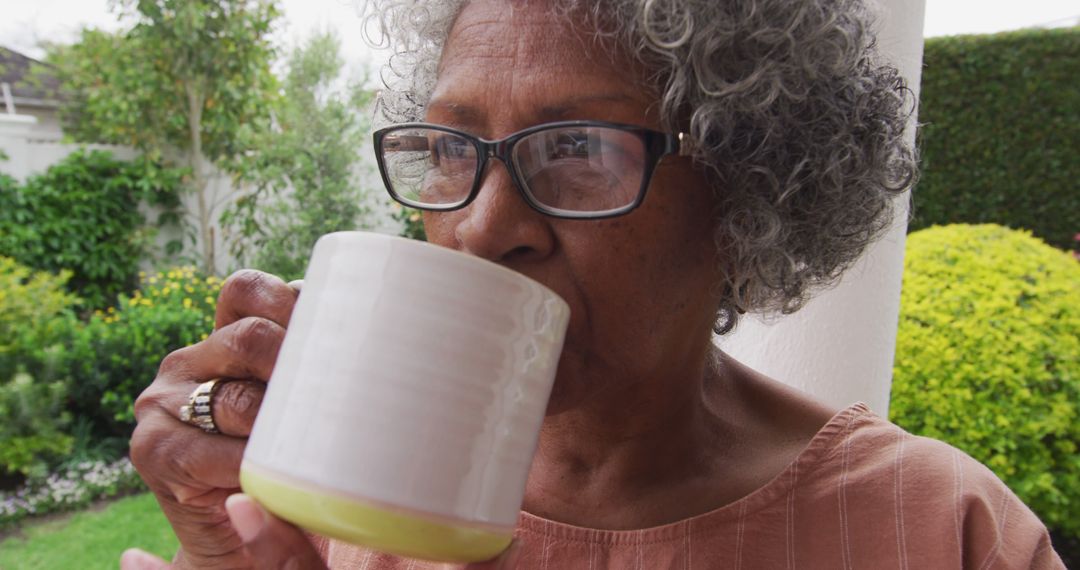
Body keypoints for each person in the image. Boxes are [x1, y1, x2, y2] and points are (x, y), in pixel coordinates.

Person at [121, 0, 1066, 568]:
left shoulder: (942, 533)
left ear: (750, 192)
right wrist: (212, 539)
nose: (485, 226)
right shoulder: (324, 493)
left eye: (578, 148)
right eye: (451, 146)